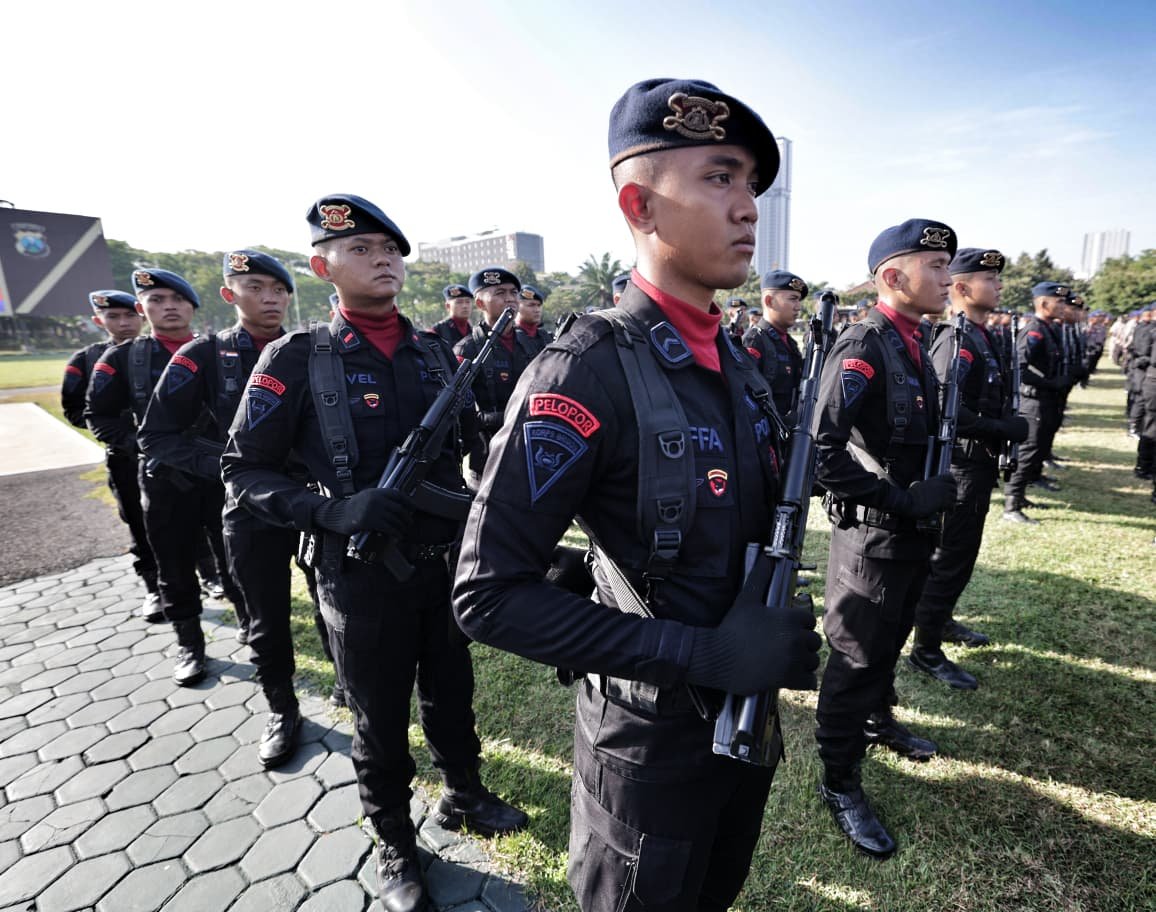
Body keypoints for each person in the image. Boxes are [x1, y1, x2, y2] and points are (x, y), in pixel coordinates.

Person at [453, 77, 821, 912]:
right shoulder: (584, 370)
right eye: (719, 178)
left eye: (751, 185)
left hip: (743, 726)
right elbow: (486, 596)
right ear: (640, 205)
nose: (748, 208)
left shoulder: (738, 364)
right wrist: (703, 655)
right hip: (649, 750)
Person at [221, 194, 526, 912]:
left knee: (451, 691)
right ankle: (394, 840)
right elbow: (242, 470)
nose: (382, 259)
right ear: (322, 267)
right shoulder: (294, 358)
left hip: (442, 564)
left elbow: (471, 453)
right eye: (361, 249)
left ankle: (463, 793)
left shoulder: (435, 352)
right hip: (357, 574)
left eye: (390, 249)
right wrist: (329, 509)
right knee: (379, 718)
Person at [812, 218, 960, 859]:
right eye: (937, 267)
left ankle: (879, 719)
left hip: (911, 533)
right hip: (872, 539)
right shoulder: (865, 344)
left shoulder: (913, 339)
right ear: (894, 276)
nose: (949, 279)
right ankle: (839, 780)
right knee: (855, 660)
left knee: (890, 640)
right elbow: (820, 450)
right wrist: (900, 499)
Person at [137, 249, 311, 765]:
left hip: (311, 500)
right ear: (228, 294)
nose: (270, 298)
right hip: (248, 507)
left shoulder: (311, 349)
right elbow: (157, 436)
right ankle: (282, 708)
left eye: (278, 289)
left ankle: (347, 686)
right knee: (265, 616)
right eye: (255, 287)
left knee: (332, 601)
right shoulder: (203, 354)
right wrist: (235, 466)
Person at [908, 249, 1028, 690]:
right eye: (989, 279)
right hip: (961, 465)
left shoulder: (981, 335)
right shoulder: (955, 338)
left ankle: (940, 622)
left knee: (961, 557)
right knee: (950, 559)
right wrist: (999, 427)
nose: (999, 286)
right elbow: (946, 408)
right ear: (962, 288)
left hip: (978, 463)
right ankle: (925, 649)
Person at [63, 290, 157, 615]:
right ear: (98, 320)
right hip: (126, 457)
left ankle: (208, 573)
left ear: (141, 315)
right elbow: (76, 410)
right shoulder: (86, 360)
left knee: (193, 517)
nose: (123, 323)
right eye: (113, 317)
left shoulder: (162, 350)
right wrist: (122, 430)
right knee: (138, 522)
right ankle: (153, 587)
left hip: (174, 454)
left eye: (129, 315)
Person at [453, 267, 531, 486]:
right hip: (487, 459)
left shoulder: (533, 344)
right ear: (480, 303)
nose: (510, 299)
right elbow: (458, 413)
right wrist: (495, 418)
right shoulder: (467, 349)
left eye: (513, 292)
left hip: (529, 453)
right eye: (500, 293)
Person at [1003, 282, 1071, 523]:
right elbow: (1019, 367)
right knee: (1027, 450)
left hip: (1046, 399)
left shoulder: (1048, 328)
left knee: (1039, 447)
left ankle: (1021, 495)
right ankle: (1011, 505)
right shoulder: (1034, 330)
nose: (1063, 307)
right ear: (1043, 303)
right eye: (1059, 302)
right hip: (1033, 400)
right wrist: (1049, 383)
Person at [742, 270, 807, 419]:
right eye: (793, 299)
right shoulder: (755, 341)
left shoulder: (789, 342)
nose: (798, 307)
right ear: (769, 301)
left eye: (799, 300)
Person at [515, 284, 554, 358]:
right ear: (517, 306)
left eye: (539, 305)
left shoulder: (546, 337)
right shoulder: (510, 337)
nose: (537, 310)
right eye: (531, 305)